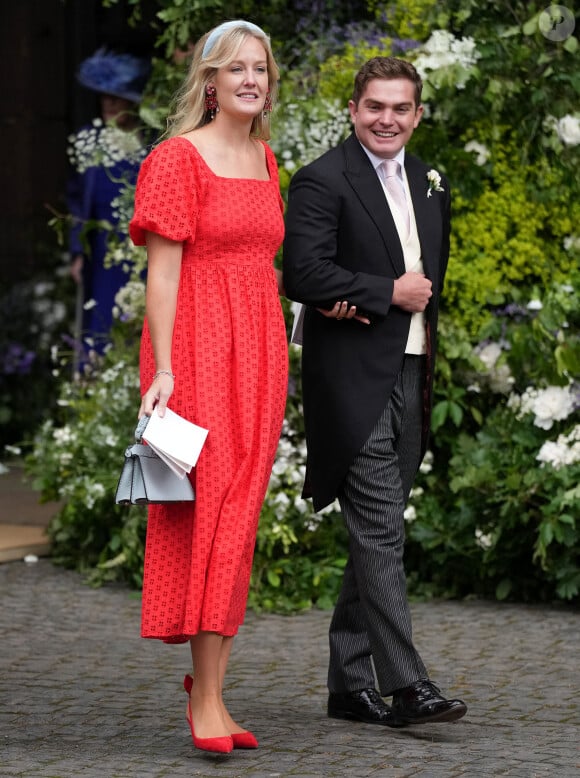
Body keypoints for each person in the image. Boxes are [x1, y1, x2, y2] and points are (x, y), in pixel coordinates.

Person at [283, 56, 468, 728]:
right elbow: (301, 270)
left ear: (417, 114)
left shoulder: (429, 180)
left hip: (411, 373)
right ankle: (408, 685)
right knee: (382, 528)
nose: (386, 119)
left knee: (374, 531)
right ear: (354, 109)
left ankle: (346, 682)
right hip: (351, 379)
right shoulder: (321, 179)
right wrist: (383, 293)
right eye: (374, 107)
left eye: (400, 108)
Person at [129, 21, 288, 754]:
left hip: (258, 350)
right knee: (206, 511)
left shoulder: (266, 158)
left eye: (260, 68)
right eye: (237, 69)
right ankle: (207, 702)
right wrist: (162, 371)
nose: (251, 79)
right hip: (193, 348)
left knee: (240, 516)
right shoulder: (176, 158)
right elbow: (161, 274)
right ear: (210, 81)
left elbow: (266, 264)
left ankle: (214, 692)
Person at [67, 48, 151, 353]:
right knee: (99, 320)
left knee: (139, 318)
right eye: (104, 97)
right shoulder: (88, 139)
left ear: (132, 101)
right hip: (101, 249)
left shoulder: (150, 143)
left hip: (141, 249)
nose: (108, 104)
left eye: (116, 97)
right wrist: (77, 252)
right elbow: (76, 202)